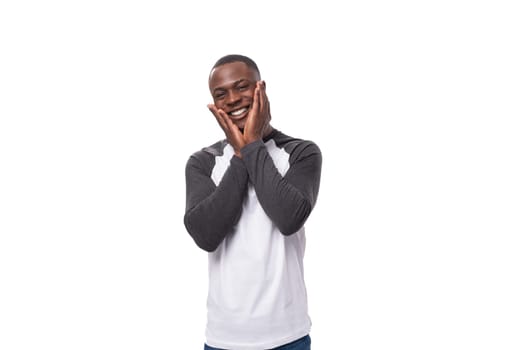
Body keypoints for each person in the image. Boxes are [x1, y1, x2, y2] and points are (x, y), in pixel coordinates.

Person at [184, 54, 322, 350]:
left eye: (242, 87)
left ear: (261, 89)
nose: (232, 99)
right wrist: (241, 153)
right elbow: (206, 235)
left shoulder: (301, 153)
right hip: (224, 339)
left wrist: (251, 145)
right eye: (221, 94)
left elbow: (288, 218)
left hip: (288, 336)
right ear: (214, 105)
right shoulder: (203, 162)